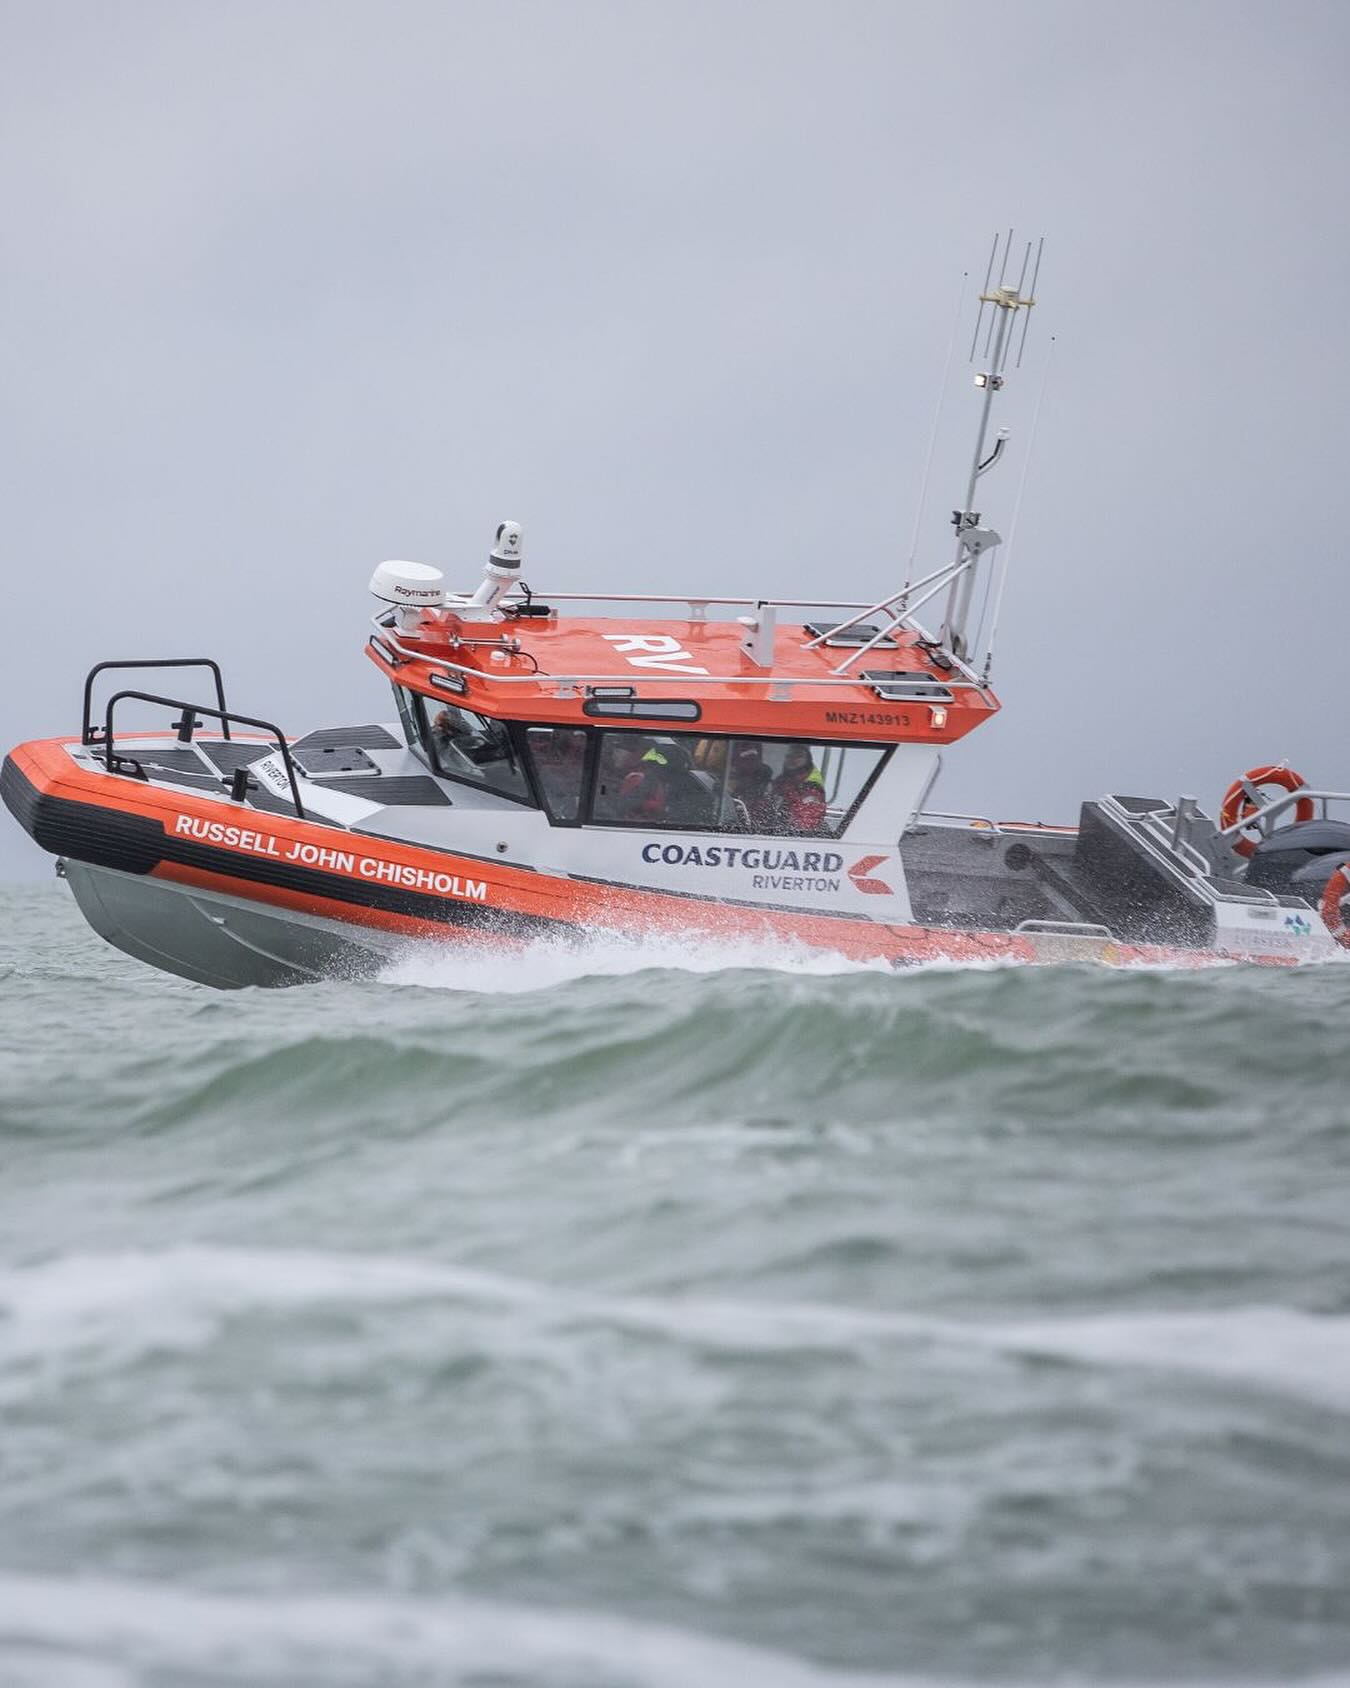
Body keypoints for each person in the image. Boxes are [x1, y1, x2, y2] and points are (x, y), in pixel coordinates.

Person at [773, 743, 828, 834]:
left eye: (799, 756)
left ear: (807, 760)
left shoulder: (811, 789)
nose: (793, 759)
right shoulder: (782, 781)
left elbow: (806, 824)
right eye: (789, 756)